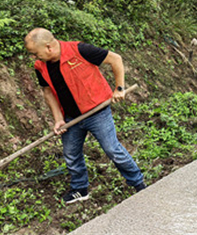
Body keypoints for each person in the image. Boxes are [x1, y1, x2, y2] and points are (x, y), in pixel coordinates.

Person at [24, 28, 146, 204]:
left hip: (97, 112)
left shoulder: (79, 50)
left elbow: (115, 59)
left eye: (36, 53)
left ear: (49, 47)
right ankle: (80, 189)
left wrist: (119, 88)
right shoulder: (40, 66)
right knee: (71, 154)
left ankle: (139, 185)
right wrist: (58, 119)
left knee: (112, 150)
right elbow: (47, 92)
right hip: (71, 118)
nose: (35, 57)